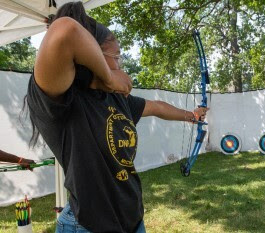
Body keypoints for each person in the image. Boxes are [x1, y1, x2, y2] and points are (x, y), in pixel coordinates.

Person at [26, 2, 208, 233]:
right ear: (93, 54)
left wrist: (191, 116)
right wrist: (111, 78)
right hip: (88, 225)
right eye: (117, 56)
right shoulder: (61, 100)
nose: (119, 64)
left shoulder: (115, 99)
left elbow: (156, 107)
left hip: (132, 219)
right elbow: (64, 30)